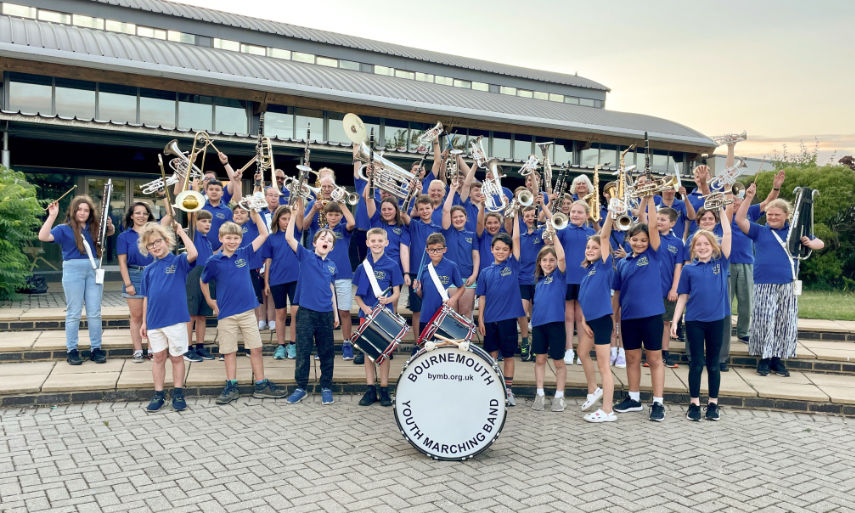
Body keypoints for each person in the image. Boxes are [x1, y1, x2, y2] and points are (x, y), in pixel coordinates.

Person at [735, 184, 824, 377]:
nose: (772, 218)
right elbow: (740, 219)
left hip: (787, 283)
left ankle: (778, 359)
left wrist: (810, 243)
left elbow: (820, 243)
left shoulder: (796, 232)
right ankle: (764, 359)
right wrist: (748, 198)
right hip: (763, 283)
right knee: (764, 320)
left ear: (786, 215)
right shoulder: (759, 231)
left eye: (777, 215)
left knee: (785, 322)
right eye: (769, 215)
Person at [200, 211, 287, 405]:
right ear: (221, 239)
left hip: (248, 312)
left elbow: (264, 234)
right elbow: (203, 280)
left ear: (240, 239)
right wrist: (210, 301)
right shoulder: (214, 261)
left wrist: (255, 213)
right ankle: (231, 385)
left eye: (236, 238)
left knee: (256, 348)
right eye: (228, 238)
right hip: (226, 315)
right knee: (229, 351)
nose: (232, 241)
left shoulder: (245, 252)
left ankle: (261, 384)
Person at [671, 208, 732, 422]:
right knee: (696, 364)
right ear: (694, 248)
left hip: (717, 321)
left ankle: (713, 403)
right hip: (695, 321)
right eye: (699, 245)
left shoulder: (721, 263)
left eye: (707, 244)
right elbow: (682, 297)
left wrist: (723, 211)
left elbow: (728, 234)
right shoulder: (689, 270)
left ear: (713, 246)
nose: (703, 247)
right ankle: (694, 403)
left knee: (713, 364)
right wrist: (676, 320)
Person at [39, 195, 114, 365]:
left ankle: (96, 348)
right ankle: (72, 350)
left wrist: (110, 226)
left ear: (90, 212)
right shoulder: (63, 228)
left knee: (94, 312)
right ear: (73, 211)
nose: (82, 212)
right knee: (74, 312)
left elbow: (110, 232)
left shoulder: (94, 227)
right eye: (79, 209)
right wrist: (51, 215)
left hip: (94, 269)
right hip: (73, 270)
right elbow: (43, 237)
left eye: (86, 210)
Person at [612, 194, 667, 421]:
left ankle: (658, 403)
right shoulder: (623, 263)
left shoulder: (654, 255)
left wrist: (650, 201)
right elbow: (617, 294)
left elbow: (652, 226)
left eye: (643, 240)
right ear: (629, 240)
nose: (639, 243)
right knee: (632, 358)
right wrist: (614, 319)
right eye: (635, 240)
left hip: (652, 316)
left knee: (654, 359)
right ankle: (634, 398)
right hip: (629, 318)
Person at [138, 221, 197, 412]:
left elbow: (194, 254)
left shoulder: (178, 261)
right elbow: (146, 298)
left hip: (175, 319)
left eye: (157, 242)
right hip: (155, 321)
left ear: (166, 241)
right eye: (150, 245)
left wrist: (181, 232)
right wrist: (144, 322)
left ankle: (178, 392)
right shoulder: (148, 271)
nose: (155, 246)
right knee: (158, 357)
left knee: (177, 357)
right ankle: (159, 394)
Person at [284, 203, 339, 405]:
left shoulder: (332, 266)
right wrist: (292, 216)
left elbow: (331, 290)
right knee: (304, 350)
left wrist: (335, 315)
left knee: (327, 352)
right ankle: (301, 387)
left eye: (330, 240)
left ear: (332, 247)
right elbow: (289, 238)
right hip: (307, 312)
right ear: (315, 243)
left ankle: (326, 386)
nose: (326, 241)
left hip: (325, 314)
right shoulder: (306, 256)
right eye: (323, 238)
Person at [353, 228, 403, 406]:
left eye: (380, 241)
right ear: (367, 243)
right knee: (367, 352)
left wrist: (388, 299)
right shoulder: (362, 267)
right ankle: (370, 389)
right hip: (366, 315)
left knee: (384, 354)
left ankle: (384, 388)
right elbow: (357, 295)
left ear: (386, 243)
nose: (376, 244)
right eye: (373, 241)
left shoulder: (392, 265)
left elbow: (397, 292)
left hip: (384, 315)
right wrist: (364, 307)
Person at [477, 231, 525, 406]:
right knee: (492, 356)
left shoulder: (512, 266)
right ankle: (494, 388)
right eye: (497, 249)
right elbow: (481, 296)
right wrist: (481, 319)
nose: (501, 252)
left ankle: (508, 390)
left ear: (510, 252)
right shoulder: (485, 272)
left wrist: (517, 213)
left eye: (505, 249)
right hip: (490, 320)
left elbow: (517, 239)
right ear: (491, 249)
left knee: (509, 356)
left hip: (508, 320)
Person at [529, 204, 568, 412]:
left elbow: (561, 257)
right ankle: (540, 394)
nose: (548, 263)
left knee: (559, 362)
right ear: (539, 262)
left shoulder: (559, 277)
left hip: (556, 325)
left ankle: (559, 396)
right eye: (544, 260)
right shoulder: (539, 281)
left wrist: (553, 235)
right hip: (539, 325)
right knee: (540, 360)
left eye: (551, 260)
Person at [578, 213, 617, 422]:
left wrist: (610, 213)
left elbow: (604, 237)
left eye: (594, 248)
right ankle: (593, 390)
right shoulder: (589, 270)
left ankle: (608, 410)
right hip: (590, 321)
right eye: (588, 248)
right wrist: (584, 319)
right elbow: (585, 298)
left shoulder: (603, 266)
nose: (590, 251)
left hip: (602, 320)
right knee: (582, 352)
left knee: (604, 367)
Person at [555, 200, 596, 365]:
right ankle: (569, 349)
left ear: (586, 215)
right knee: (568, 316)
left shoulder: (591, 232)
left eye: (579, 212)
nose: (575, 215)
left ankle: (582, 351)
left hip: (585, 279)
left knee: (581, 316)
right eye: (573, 212)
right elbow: (551, 244)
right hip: (566, 278)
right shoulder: (563, 230)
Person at [117, 202, 155, 363]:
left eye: (145, 213)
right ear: (131, 216)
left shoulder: (154, 234)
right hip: (134, 275)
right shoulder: (124, 236)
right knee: (136, 316)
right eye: (138, 213)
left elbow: (170, 216)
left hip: (154, 274)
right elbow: (122, 262)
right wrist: (128, 283)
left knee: (153, 315)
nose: (141, 216)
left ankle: (153, 349)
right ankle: (138, 350)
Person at [263, 205, 302, 360]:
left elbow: (300, 215)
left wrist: (295, 214)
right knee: (280, 313)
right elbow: (268, 261)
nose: (286, 222)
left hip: (296, 279)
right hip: (277, 280)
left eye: (289, 219)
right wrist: (266, 282)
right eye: (283, 219)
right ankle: (280, 345)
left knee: (295, 312)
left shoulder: (296, 234)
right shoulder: (271, 238)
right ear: (277, 220)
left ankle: (293, 344)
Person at [402, 195, 442, 341]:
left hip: (434, 273)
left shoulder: (438, 229)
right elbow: (402, 214)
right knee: (417, 310)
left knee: (435, 309)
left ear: (433, 209)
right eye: (421, 209)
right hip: (416, 273)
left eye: (427, 208)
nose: (424, 211)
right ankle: (418, 342)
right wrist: (412, 193)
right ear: (417, 211)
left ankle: (434, 340)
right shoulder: (414, 225)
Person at [320, 201, 356, 360]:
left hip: (343, 275)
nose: (333, 217)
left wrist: (342, 204)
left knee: (344, 311)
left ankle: (347, 343)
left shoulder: (343, 229)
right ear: (325, 216)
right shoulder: (321, 232)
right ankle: (325, 346)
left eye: (336, 215)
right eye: (330, 214)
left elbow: (352, 222)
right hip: (325, 276)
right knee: (325, 312)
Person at [650, 207, 684, 368]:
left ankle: (665, 352)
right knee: (651, 322)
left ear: (672, 223)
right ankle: (651, 352)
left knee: (665, 323)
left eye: (663, 219)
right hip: (650, 289)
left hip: (667, 289)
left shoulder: (677, 243)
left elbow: (678, 267)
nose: (659, 222)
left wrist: (675, 288)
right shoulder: (650, 237)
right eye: (657, 218)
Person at [414, 233, 465, 339]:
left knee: (442, 346)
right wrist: (418, 290)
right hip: (426, 314)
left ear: (444, 250)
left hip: (443, 314)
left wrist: (453, 299)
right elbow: (423, 296)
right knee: (426, 345)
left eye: (438, 249)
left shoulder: (451, 266)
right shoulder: (424, 269)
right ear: (427, 251)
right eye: (432, 249)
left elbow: (462, 287)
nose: (435, 252)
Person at [441, 183, 479, 321]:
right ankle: (453, 342)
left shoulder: (472, 234)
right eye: (455, 217)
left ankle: (465, 342)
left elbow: (475, 255)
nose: (458, 219)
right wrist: (451, 190)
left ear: (466, 217)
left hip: (467, 278)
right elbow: (446, 210)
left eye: (460, 216)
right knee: (452, 313)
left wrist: (475, 274)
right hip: (450, 278)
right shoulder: (447, 232)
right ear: (451, 220)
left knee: (466, 312)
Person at [185, 210, 216, 360]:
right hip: (194, 275)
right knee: (191, 314)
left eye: (209, 221)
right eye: (204, 221)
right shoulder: (193, 235)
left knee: (202, 315)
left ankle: (200, 346)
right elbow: (191, 215)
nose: (207, 224)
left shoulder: (208, 241)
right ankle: (187, 348)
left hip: (207, 276)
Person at [515, 203, 544, 361]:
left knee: (537, 314)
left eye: (532, 215)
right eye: (526, 216)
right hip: (522, 279)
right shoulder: (519, 235)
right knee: (521, 311)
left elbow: (549, 238)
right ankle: (525, 341)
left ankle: (536, 343)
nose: (530, 218)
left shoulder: (540, 233)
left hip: (538, 278)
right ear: (523, 218)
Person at [201, 179, 233, 252]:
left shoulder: (227, 211)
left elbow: (229, 234)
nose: (214, 192)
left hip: (219, 253)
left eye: (217, 190)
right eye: (211, 189)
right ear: (206, 192)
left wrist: (218, 252)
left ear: (222, 193)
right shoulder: (200, 207)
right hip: (199, 252)